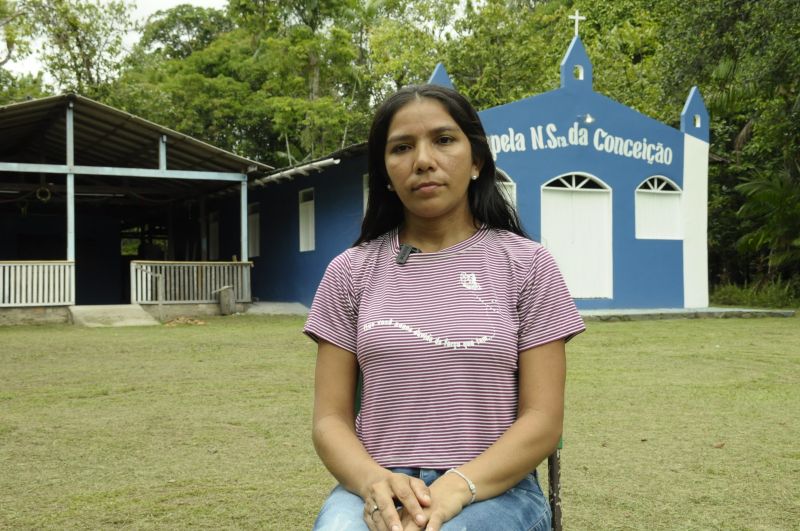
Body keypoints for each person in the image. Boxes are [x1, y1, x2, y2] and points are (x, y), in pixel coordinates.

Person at [304, 84, 585, 531]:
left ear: (476, 161)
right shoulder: (349, 272)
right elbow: (329, 420)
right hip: (379, 484)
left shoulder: (528, 265)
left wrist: (455, 488)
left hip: (496, 488)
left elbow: (543, 419)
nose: (423, 160)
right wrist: (375, 482)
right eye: (401, 148)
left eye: (444, 139)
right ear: (385, 171)